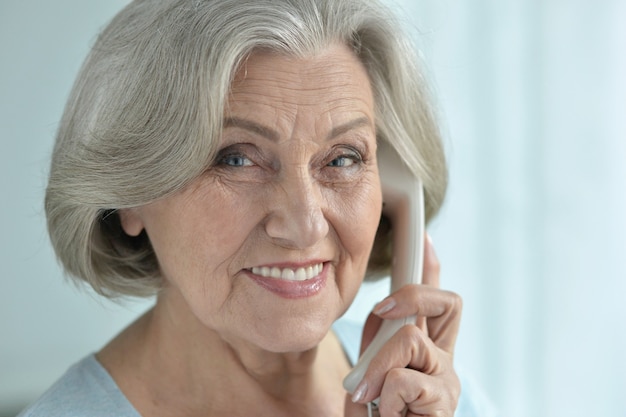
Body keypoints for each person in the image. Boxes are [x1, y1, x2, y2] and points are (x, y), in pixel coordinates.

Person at [19, 0, 494, 416]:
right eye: (236, 159)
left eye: (344, 158)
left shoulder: (432, 400)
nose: (305, 224)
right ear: (129, 193)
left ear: (392, 188)